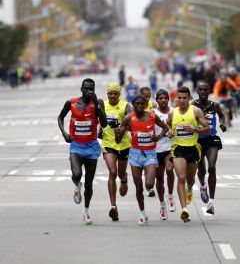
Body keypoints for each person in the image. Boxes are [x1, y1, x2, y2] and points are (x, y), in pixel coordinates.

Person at [58, 78, 107, 224]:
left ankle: (86, 211)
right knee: (77, 174)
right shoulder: (71, 102)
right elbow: (60, 118)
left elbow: (104, 124)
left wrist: (98, 106)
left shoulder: (98, 103)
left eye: (91, 89)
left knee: (89, 183)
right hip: (76, 145)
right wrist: (64, 133)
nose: (89, 91)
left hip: (91, 146)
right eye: (86, 88)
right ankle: (76, 184)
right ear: (81, 89)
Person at [115, 94, 168, 225]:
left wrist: (159, 137)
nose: (139, 106)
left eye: (142, 104)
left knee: (149, 184)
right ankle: (142, 213)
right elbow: (118, 140)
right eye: (137, 104)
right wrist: (118, 133)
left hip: (150, 153)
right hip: (135, 154)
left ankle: (162, 205)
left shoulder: (152, 116)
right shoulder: (128, 118)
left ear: (145, 105)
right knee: (138, 187)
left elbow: (165, 127)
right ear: (133, 105)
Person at [167, 86, 210, 223]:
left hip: (193, 149)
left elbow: (207, 129)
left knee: (190, 179)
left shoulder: (196, 111)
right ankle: (184, 209)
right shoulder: (172, 113)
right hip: (178, 148)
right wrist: (169, 131)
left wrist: (195, 129)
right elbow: (168, 125)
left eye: (184, 98)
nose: (182, 100)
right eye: (179, 97)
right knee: (181, 176)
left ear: (189, 98)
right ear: (176, 98)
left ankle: (190, 188)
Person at [192, 82, 227, 215]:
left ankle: (211, 201)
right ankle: (202, 185)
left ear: (209, 91)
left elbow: (221, 115)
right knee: (202, 170)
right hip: (198, 140)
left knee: (212, 167)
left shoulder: (214, 105)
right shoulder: (193, 105)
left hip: (211, 139)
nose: (202, 92)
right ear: (197, 91)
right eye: (200, 89)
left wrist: (222, 124)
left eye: (205, 89)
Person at [102, 83, 132, 221]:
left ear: (119, 94)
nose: (113, 96)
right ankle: (113, 206)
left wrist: (122, 128)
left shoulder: (126, 106)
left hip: (124, 144)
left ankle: (124, 181)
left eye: (115, 93)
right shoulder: (102, 106)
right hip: (108, 143)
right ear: (107, 94)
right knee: (112, 172)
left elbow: (131, 123)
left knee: (120, 173)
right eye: (110, 93)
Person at [154, 89, 176, 220]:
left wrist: (172, 131)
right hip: (156, 150)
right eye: (160, 98)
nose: (163, 100)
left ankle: (171, 196)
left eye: (165, 98)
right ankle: (162, 205)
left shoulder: (173, 111)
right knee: (159, 179)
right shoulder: (153, 113)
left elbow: (177, 126)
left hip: (169, 147)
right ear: (156, 100)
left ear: (168, 99)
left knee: (170, 169)